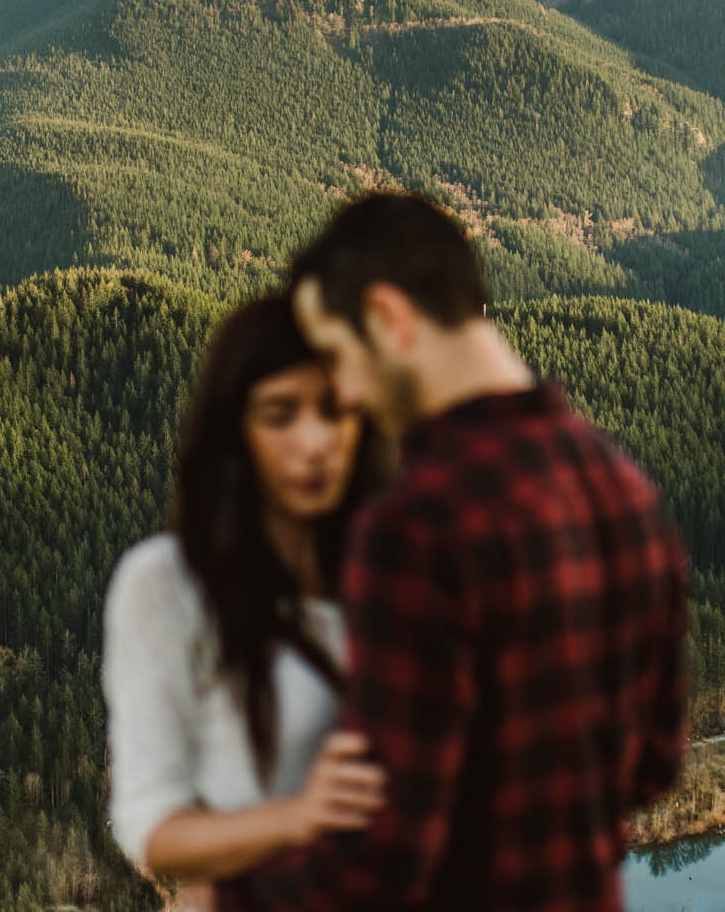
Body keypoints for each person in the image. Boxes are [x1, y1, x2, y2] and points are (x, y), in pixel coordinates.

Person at [218, 191, 693, 912]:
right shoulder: (623, 486)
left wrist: (234, 892)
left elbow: (385, 863)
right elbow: (656, 764)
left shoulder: (418, 523)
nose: (343, 392)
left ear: (389, 318)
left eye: (341, 357)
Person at [103, 295, 393, 910]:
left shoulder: (397, 573)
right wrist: (299, 818)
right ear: (234, 431)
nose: (314, 441)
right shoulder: (169, 583)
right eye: (279, 414)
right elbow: (150, 829)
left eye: (333, 409)